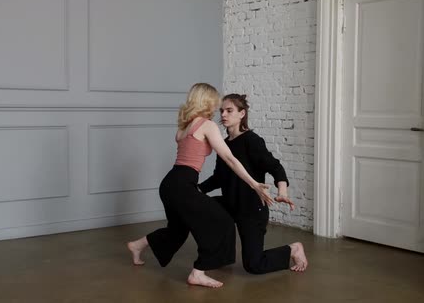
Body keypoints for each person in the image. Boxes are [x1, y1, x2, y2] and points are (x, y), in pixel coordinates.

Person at [126, 83, 272, 288]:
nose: (216, 109)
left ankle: (137, 245)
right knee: (222, 221)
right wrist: (254, 183)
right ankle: (198, 271)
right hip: (182, 184)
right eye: (214, 103)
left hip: (169, 184)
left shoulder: (183, 127)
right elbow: (229, 159)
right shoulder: (207, 125)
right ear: (206, 101)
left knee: (177, 229)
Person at [197, 93, 308, 274]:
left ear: (242, 114)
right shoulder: (224, 144)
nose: (223, 115)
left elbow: (276, 167)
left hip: (251, 209)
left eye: (229, 110)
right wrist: (198, 189)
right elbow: (219, 177)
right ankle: (220, 255)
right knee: (200, 208)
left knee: (254, 265)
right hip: (230, 204)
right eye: (222, 111)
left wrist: (282, 192)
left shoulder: (252, 141)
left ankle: (293, 249)